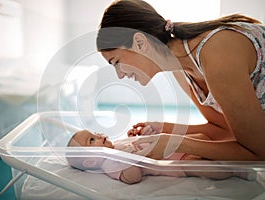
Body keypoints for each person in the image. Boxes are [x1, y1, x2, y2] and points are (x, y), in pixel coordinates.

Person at [96, 0, 265, 161]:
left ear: (140, 43)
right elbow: (225, 130)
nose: (119, 75)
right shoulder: (181, 69)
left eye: (116, 62)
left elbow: (259, 153)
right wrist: (164, 129)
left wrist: (177, 144)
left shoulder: (217, 56)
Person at [66, 129, 254, 184]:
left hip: (174, 146)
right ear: (90, 161)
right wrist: (125, 158)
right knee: (203, 168)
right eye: (92, 140)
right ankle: (236, 171)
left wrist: (136, 137)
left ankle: (230, 151)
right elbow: (133, 177)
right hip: (175, 163)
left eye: (94, 133)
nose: (99, 135)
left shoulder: (117, 143)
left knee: (203, 138)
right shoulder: (110, 165)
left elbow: (139, 142)